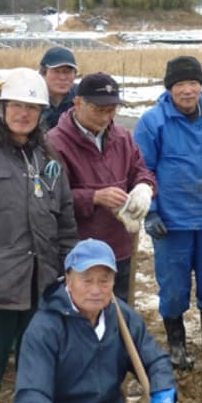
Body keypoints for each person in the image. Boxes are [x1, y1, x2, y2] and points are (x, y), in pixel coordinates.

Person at [11, 239, 179, 403]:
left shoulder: (120, 317)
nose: (96, 289)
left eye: (104, 280)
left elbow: (154, 360)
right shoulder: (45, 327)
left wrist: (163, 401)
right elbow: (32, 395)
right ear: (68, 280)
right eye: (86, 279)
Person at [134, 55, 202, 369]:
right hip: (171, 222)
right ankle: (176, 345)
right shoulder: (153, 122)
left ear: (201, 85)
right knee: (174, 286)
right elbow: (142, 169)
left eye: (193, 83)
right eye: (180, 84)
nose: (188, 90)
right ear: (170, 88)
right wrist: (150, 212)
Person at [0, 68, 78, 403]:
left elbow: (65, 220)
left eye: (32, 108)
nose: (23, 114)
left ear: (42, 114)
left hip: (40, 285)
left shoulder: (48, 159)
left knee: (35, 370)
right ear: (1, 107)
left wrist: (68, 271)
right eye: (16, 105)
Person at [47, 73, 156, 302]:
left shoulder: (122, 136)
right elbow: (51, 197)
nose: (107, 117)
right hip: (80, 250)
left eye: (112, 109)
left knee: (119, 314)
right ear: (78, 103)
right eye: (99, 110)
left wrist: (144, 187)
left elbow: (140, 170)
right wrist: (94, 197)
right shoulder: (55, 143)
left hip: (120, 246)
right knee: (84, 314)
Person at [39, 46, 78, 130]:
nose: (62, 77)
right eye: (56, 71)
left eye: (67, 72)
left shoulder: (82, 98)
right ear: (43, 73)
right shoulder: (33, 98)